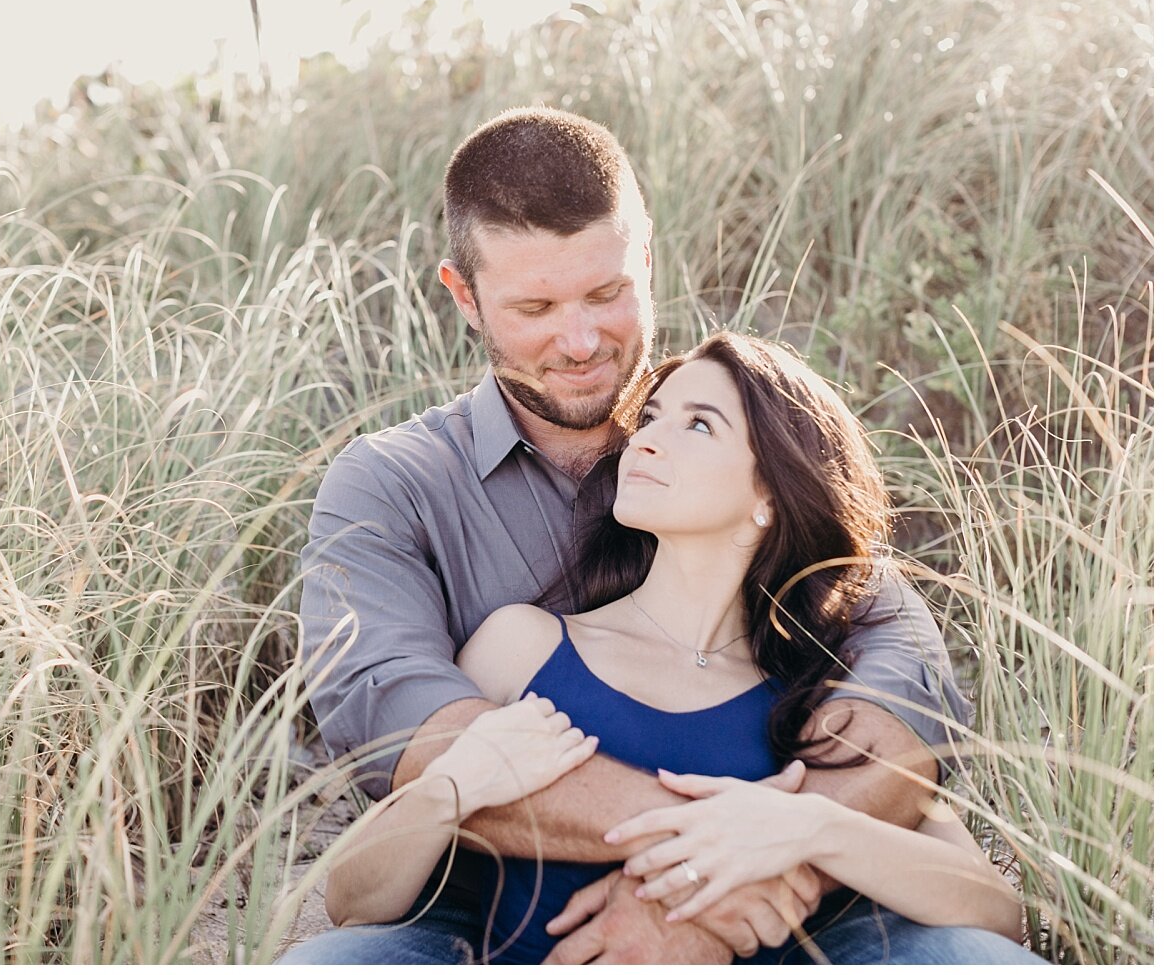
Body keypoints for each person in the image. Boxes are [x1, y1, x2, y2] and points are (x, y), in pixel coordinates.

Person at [281, 108, 1016, 964]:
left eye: (606, 292)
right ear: (464, 296)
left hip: (786, 895)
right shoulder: (394, 485)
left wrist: (785, 846)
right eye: (536, 306)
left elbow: (892, 639)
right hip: (502, 905)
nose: (583, 340)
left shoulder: (738, 432)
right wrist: (708, 856)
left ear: (647, 260)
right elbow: (408, 731)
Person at [316, 332, 1035, 963]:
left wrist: (811, 825)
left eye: (699, 424)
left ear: (770, 492)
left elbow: (996, 912)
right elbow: (351, 898)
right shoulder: (524, 646)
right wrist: (452, 785)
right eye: (652, 416)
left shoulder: (814, 686)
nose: (648, 438)